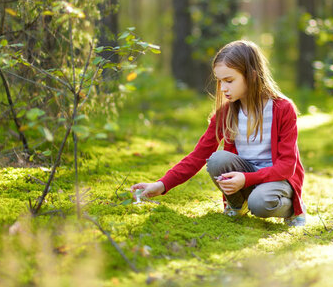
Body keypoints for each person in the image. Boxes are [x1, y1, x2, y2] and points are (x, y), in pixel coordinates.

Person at [131, 40, 306, 226]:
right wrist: (161, 185)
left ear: (252, 76)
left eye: (229, 81)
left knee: (259, 203)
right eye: (220, 81)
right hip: (245, 178)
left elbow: (287, 166)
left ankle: (294, 210)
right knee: (217, 159)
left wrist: (247, 178)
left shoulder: (282, 109)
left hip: (277, 180)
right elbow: (198, 156)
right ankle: (237, 205)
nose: (223, 88)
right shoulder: (226, 113)